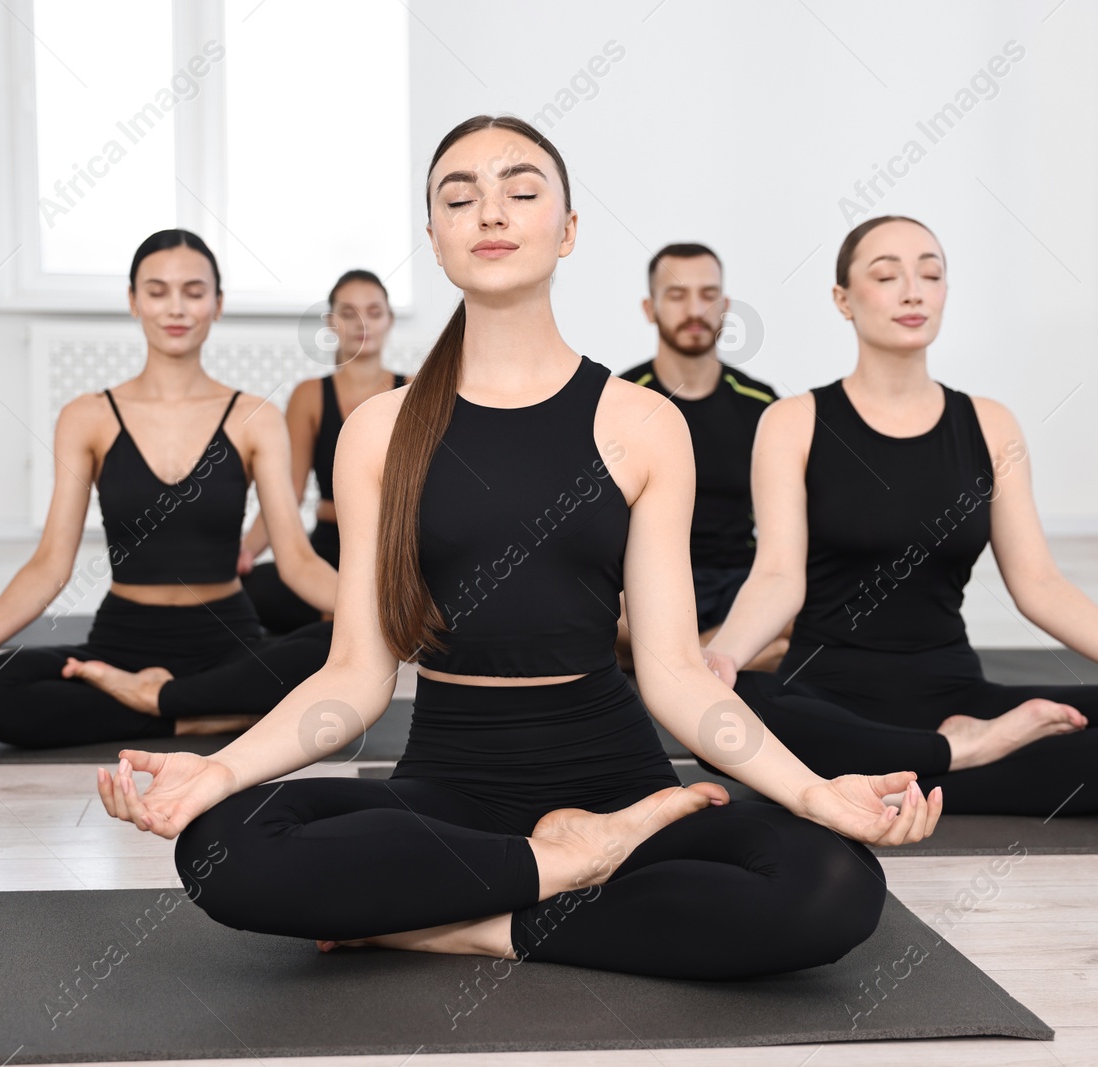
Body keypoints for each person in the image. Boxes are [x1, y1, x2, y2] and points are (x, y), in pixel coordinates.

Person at [95, 117, 942, 981]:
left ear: (567, 230)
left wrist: (813, 791)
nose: (490, 211)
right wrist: (217, 772)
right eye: (460, 197)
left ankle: (466, 927)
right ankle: (565, 868)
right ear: (435, 237)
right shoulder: (380, 432)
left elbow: (678, 676)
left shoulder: (643, 424)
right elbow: (353, 676)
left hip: (617, 777)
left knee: (831, 882)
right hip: (449, 784)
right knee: (223, 846)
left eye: (522, 191)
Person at [702, 216, 1098, 817]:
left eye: (930, 273)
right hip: (825, 696)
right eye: (886, 275)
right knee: (726, 711)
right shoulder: (794, 421)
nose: (913, 290)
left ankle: (892, 775)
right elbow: (776, 576)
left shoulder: (989, 424)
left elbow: (1038, 584)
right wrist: (726, 656)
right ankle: (950, 760)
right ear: (843, 300)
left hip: (955, 694)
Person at [0, 230, 338, 749]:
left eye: (193, 291)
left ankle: (159, 702)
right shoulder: (87, 417)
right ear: (133, 301)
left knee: (334, 647)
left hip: (226, 640)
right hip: (121, 643)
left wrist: (384, 618)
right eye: (157, 291)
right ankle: (201, 714)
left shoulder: (255, 417)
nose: (176, 308)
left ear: (218, 304)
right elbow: (52, 563)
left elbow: (296, 559)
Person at [618, 243, 787, 671]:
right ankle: (709, 661)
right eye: (677, 295)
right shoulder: (619, 402)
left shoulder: (761, 405)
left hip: (737, 581)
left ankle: (678, 662)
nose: (695, 309)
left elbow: (785, 533)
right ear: (649, 308)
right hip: (646, 584)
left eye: (708, 294)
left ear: (725, 306)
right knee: (591, 616)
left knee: (797, 621)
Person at [239, 270, 407, 633]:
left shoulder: (414, 389)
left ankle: (343, 617)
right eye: (349, 313)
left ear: (389, 320)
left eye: (374, 311)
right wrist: (245, 553)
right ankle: (344, 615)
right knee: (242, 593)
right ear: (332, 323)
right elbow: (287, 492)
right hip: (329, 549)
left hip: (396, 552)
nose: (362, 323)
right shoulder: (309, 395)